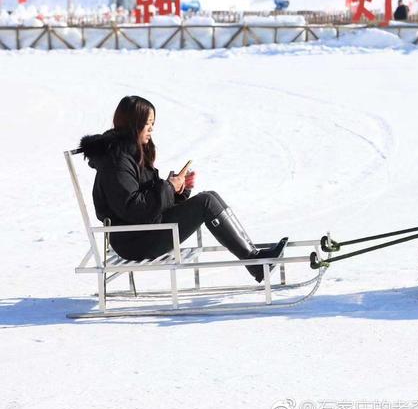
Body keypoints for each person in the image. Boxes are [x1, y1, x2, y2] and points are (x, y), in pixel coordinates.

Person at [79, 95, 287, 283]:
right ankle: (255, 262)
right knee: (206, 202)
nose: (151, 129)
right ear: (133, 124)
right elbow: (134, 209)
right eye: (147, 123)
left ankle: (255, 258)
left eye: (153, 124)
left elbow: (147, 199)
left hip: (146, 230)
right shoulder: (117, 161)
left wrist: (178, 189)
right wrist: (169, 187)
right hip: (134, 241)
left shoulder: (130, 154)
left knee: (210, 197)